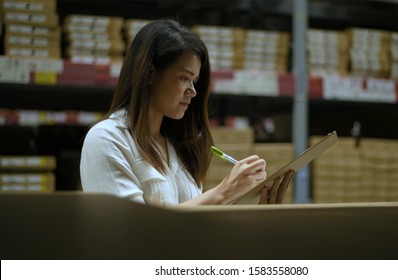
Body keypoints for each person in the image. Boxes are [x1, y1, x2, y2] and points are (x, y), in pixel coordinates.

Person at [80, 19, 294, 206]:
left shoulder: (178, 146)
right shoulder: (108, 139)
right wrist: (222, 193)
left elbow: (195, 228)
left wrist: (260, 209)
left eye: (195, 81)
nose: (192, 92)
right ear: (150, 73)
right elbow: (133, 230)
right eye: (184, 77)